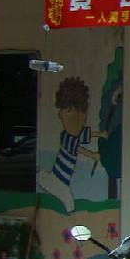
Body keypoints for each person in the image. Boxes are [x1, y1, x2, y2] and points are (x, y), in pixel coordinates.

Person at [39, 77, 105, 212]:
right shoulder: (67, 138)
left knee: (68, 202)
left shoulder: (73, 134)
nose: (79, 118)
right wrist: (93, 156)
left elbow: (85, 134)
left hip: (61, 182)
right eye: (68, 111)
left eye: (82, 112)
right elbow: (79, 149)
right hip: (56, 180)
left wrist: (101, 134)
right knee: (68, 202)